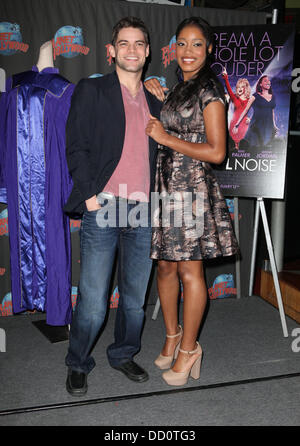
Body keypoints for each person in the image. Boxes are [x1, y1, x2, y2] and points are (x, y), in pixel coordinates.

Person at [64, 17, 161, 396]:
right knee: (92, 303)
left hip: (143, 209)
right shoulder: (92, 90)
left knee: (135, 301)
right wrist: (90, 196)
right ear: (112, 50)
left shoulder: (156, 99)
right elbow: (76, 146)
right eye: (124, 43)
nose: (132, 49)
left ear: (148, 51)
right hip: (103, 205)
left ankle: (123, 354)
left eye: (139, 43)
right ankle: (77, 362)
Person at [145, 17, 238, 386]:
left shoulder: (210, 91)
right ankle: (171, 336)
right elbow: (175, 117)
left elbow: (217, 152)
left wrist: (166, 139)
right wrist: (157, 90)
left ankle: (189, 349)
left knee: (189, 271)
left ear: (209, 49)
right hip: (167, 185)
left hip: (192, 189)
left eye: (196, 44)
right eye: (181, 43)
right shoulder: (181, 87)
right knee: (166, 268)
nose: (187, 51)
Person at [233, 75, 278, 149]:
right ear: (260, 84)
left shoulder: (273, 96)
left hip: (268, 126)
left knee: (266, 148)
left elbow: (272, 111)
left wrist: (274, 125)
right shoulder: (255, 96)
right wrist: (237, 124)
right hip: (256, 126)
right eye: (265, 81)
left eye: (269, 80)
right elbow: (246, 110)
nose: (268, 82)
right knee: (253, 147)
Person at [222, 67, 251, 150]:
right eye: (238, 87)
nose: (240, 89)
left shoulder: (250, 100)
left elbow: (255, 111)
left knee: (243, 147)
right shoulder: (234, 98)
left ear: (246, 89)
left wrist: (250, 118)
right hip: (234, 125)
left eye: (242, 87)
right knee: (233, 147)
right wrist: (225, 76)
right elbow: (228, 88)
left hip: (244, 125)